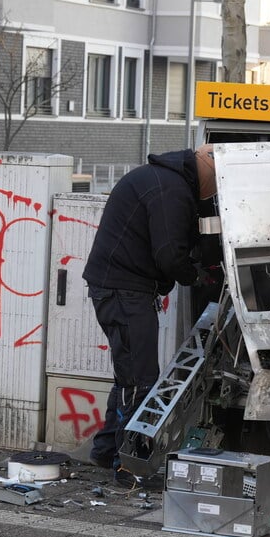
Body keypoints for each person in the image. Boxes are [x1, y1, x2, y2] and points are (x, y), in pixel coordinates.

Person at [82, 145, 217, 487]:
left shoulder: (165, 180)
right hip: (125, 290)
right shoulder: (171, 189)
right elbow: (170, 254)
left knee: (129, 375)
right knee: (140, 379)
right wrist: (195, 276)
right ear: (208, 176)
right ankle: (129, 467)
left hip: (118, 286)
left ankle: (106, 450)